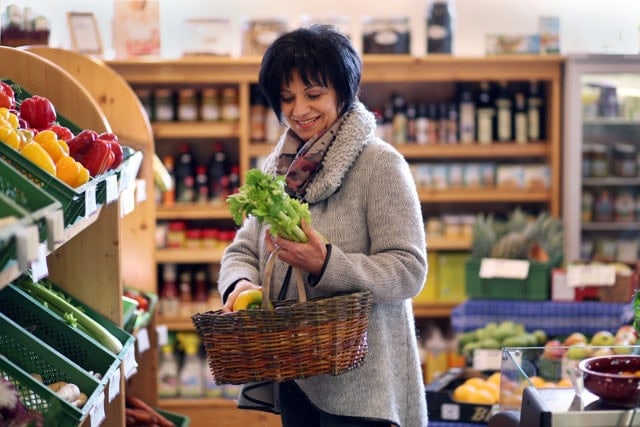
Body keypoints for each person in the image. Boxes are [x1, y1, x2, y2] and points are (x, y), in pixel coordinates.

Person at [218, 24, 428, 427]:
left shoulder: (379, 165)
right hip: (295, 375)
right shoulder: (278, 168)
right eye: (287, 98)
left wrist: (326, 263)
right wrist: (240, 284)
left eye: (314, 94)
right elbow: (242, 250)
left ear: (343, 93)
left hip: (365, 389)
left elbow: (409, 269)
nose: (300, 110)